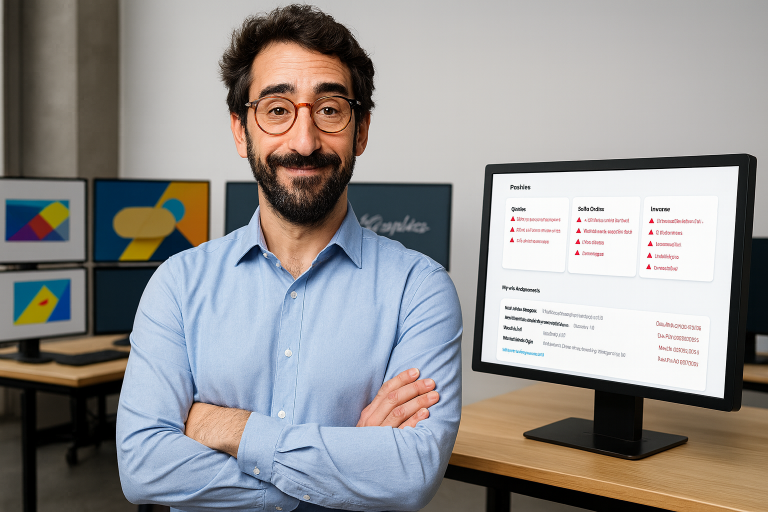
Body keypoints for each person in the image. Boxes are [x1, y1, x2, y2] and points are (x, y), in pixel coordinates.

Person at [116, 5, 462, 512]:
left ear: (361, 130)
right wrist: (344, 468)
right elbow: (144, 466)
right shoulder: (178, 284)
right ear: (242, 131)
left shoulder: (420, 289)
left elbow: (410, 472)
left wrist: (228, 427)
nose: (304, 141)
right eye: (277, 110)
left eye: (330, 110)